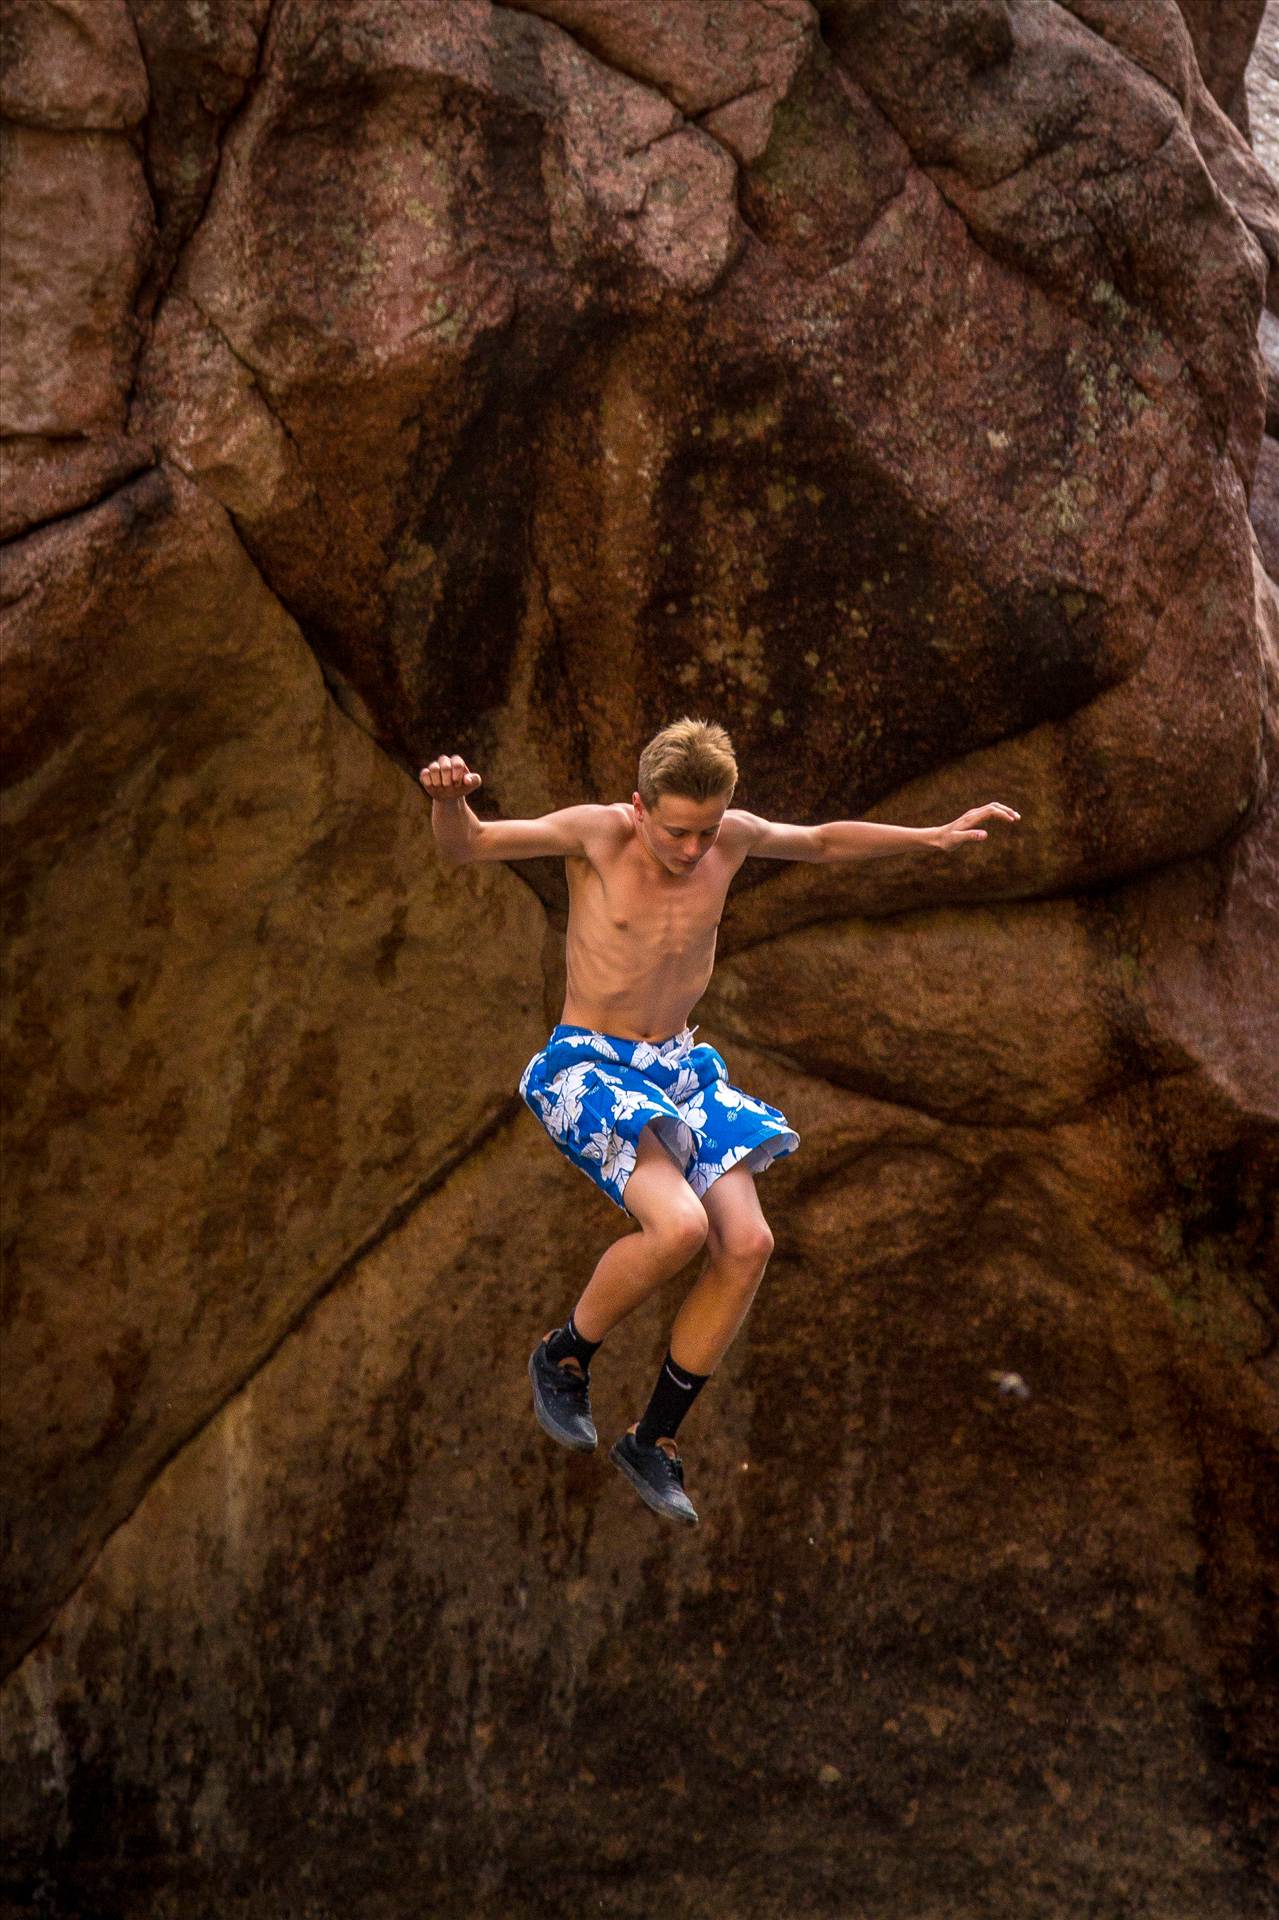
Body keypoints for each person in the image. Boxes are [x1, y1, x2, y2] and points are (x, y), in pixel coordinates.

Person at [421, 718, 1019, 1526]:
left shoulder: (728, 839)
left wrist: (931, 837)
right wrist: (451, 803)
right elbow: (470, 846)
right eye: (676, 832)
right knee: (676, 1229)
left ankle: (652, 1438)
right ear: (639, 808)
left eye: (706, 831)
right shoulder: (595, 834)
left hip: (678, 1066)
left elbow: (820, 843)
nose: (694, 849)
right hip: (588, 1065)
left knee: (747, 1244)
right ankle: (563, 1355)